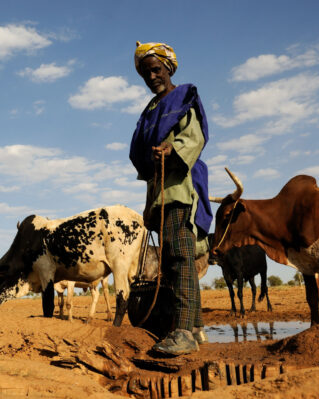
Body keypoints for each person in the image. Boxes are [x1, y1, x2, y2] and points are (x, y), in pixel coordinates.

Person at [129, 41, 212, 356]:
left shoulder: (182, 98)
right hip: (159, 193)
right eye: (145, 72)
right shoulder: (150, 111)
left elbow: (194, 138)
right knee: (170, 261)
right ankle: (193, 328)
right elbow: (147, 161)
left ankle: (184, 333)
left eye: (156, 69)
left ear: (168, 68)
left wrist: (171, 149)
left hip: (178, 190)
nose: (151, 76)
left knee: (179, 258)